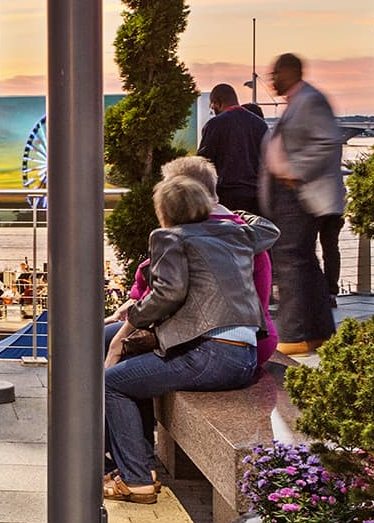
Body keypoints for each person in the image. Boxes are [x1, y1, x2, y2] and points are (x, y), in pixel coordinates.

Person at [103, 175, 278, 503]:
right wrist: (241, 215)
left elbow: (167, 293)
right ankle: (137, 465)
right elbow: (269, 229)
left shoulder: (170, 237)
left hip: (210, 355)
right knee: (129, 374)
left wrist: (129, 324)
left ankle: (136, 479)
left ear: (163, 213)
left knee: (111, 383)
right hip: (244, 356)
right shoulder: (236, 232)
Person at [258, 53, 343, 355]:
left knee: (292, 261)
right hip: (291, 196)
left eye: (276, 73)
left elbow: (328, 141)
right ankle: (319, 332)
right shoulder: (297, 102)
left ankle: (295, 334)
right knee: (302, 261)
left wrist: (295, 172)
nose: (272, 79)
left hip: (301, 195)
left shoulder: (310, 100)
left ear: (291, 71)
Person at [196, 82, 268, 214]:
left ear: (217, 103)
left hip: (226, 198)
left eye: (212, 107)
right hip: (257, 198)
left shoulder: (214, 125)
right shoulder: (260, 125)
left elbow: (203, 163)